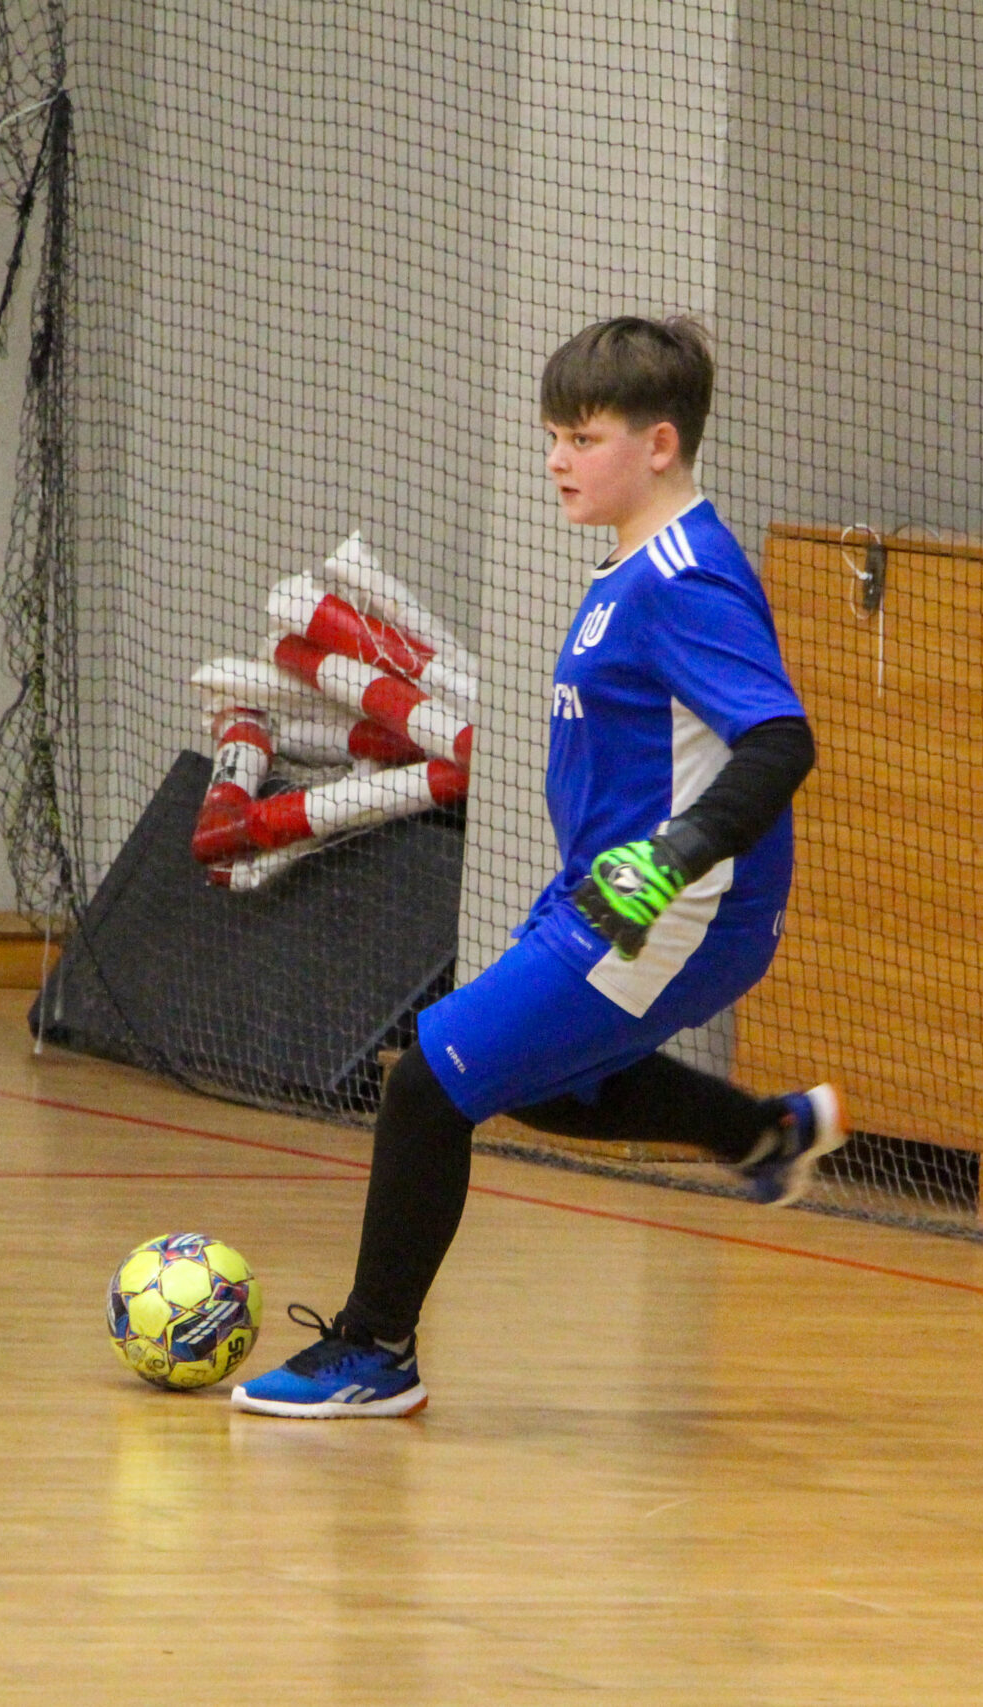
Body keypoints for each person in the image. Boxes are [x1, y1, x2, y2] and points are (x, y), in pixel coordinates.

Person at [231, 316, 840, 1420]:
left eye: (583, 438)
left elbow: (780, 740)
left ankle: (374, 1351)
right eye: (552, 435)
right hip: (606, 894)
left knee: (428, 1082)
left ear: (660, 443)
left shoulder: (682, 576)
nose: (557, 459)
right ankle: (764, 1134)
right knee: (544, 1081)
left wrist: (675, 857)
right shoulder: (629, 566)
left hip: (676, 907)